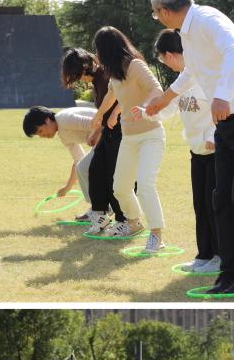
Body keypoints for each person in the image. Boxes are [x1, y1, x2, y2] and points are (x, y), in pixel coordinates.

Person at [144, 0, 234, 294]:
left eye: (155, 13)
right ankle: (228, 273)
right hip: (228, 123)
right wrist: (164, 98)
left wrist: (222, 96)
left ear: (163, 10)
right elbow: (192, 72)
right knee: (221, 198)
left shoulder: (207, 19)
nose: (157, 17)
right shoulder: (186, 33)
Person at [130, 30, 219, 274]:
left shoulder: (205, 77)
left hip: (215, 152)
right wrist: (147, 113)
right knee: (200, 206)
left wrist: (213, 136)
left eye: (162, 59)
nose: (165, 64)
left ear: (170, 55)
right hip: (197, 152)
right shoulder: (182, 81)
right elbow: (169, 110)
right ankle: (204, 255)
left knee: (214, 207)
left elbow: (223, 107)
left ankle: (220, 256)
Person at [91, 27, 168, 252]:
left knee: (145, 185)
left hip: (151, 135)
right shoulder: (115, 72)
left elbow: (156, 89)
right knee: (120, 187)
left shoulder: (136, 66)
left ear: (107, 49)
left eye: (98, 49)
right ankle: (134, 223)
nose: (96, 55)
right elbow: (112, 94)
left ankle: (157, 235)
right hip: (129, 138)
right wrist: (100, 116)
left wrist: (144, 108)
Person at [61, 47, 127, 234]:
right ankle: (100, 214)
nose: (79, 81)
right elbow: (104, 114)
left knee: (112, 176)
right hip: (108, 133)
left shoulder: (105, 78)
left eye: (76, 76)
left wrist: (100, 128)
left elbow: (119, 104)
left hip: (121, 133)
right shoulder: (98, 80)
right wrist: (97, 132)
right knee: (90, 168)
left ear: (83, 69)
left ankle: (123, 219)